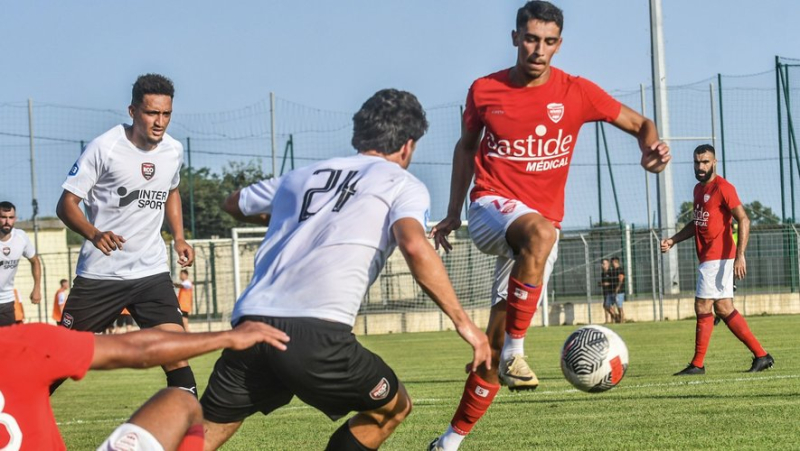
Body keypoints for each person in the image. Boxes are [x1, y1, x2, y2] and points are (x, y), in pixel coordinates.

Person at [429, 2, 671, 448]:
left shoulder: (577, 92)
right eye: (530, 38)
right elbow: (466, 149)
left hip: (535, 239)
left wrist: (650, 151)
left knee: (493, 348)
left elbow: (641, 124)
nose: (538, 49)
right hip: (491, 208)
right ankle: (520, 351)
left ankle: (449, 440)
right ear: (515, 37)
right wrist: (452, 210)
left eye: (548, 41)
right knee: (541, 234)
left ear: (559, 44)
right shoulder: (484, 90)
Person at [199, 89, 491, 451]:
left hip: (250, 324)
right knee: (393, 407)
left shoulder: (302, 176)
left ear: (360, 135)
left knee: (207, 430)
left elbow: (234, 203)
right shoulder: (402, 184)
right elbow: (415, 244)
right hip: (315, 333)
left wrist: (292, 216)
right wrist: (467, 326)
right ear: (408, 146)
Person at [54, 74, 198, 394]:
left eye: (166, 114)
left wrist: (178, 237)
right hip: (102, 275)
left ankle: (191, 438)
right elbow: (66, 205)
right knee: (58, 361)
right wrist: (93, 233)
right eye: (151, 113)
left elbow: (172, 191)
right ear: (132, 111)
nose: (159, 122)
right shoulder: (104, 148)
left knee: (176, 355)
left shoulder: (173, 150)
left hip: (151, 272)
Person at [0, 320, 289, 451]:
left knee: (175, 403)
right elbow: (137, 349)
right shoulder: (16, 346)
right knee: (179, 401)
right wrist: (227, 337)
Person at [661, 144, 773, 375]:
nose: (700, 166)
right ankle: (762, 356)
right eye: (697, 162)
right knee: (723, 308)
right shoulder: (698, 190)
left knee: (702, 305)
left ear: (714, 162)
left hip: (719, 257)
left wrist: (740, 255)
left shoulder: (723, 187)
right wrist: (673, 240)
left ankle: (697, 364)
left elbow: (744, 220)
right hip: (708, 258)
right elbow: (697, 223)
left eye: (705, 162)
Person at [0, 201, 42, 327]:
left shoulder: (21, 237)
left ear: (15, 219)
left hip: (6, 301)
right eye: (3, 217)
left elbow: (35, 261)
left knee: (7, 343)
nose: (7, 221)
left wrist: (37, 288)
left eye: (11, 217)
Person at [600, 259, 617, 323]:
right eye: (602, 264)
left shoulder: (611, 272)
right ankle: (607, 320)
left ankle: (615, 317)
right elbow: (603, 282)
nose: (602, 265)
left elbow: (613, 282)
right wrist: (601, 284)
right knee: (606, 306)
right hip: (605, 291)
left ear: (608, 264)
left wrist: (608, 284)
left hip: (610, 291)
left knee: (607, 305)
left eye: (604, 263)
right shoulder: (603, 273)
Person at [611, 257, 626, 323]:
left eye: (612, 262)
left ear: (615, 262)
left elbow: (621, 279)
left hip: (620, 291)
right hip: (614, 291)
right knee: (615, 306)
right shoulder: (613, 270)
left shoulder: (620, 270)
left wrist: (617, 288)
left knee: (619, 306)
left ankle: (622, 319)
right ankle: (617, 319)